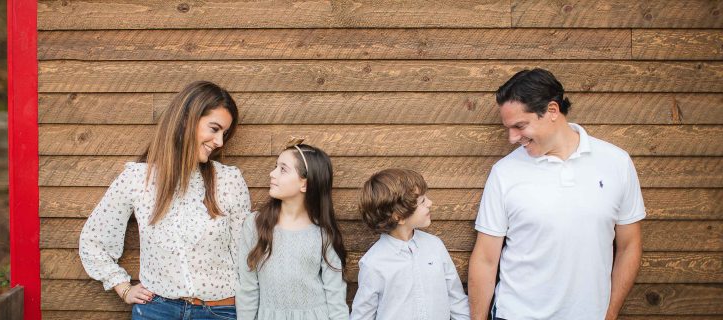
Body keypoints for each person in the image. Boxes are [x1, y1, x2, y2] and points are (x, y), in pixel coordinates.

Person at [468, 68, 645, 320]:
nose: (512, 137)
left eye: (520, 126)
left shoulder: (616, 162)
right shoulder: (504, 173)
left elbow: (629, 246)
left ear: (552, 110)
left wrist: (610, 313)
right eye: (508, 128)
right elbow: (485, 258)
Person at [79, 81, 251, 320]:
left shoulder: (229, 181)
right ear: (186, 120)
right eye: (214, 128)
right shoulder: (138, 178)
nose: (220, 142)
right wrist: (123, 287)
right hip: (156, 311)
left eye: (224, 133)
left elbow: (244, 256)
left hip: (220, 310)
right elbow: (94, 240)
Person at [236, 139, 349, 320]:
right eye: (275, 166)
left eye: (283, 169)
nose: (272, 174)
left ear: (304, 183)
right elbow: (248, 288)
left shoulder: (323, 233)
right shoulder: (255, 225)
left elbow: (335, 295)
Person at [351, 168, 470, 320]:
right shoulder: (373, 263)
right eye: (422, 201)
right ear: (399, 216)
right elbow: (362, 316)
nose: (430, 203)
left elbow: (457, 301)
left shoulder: (435, 246)